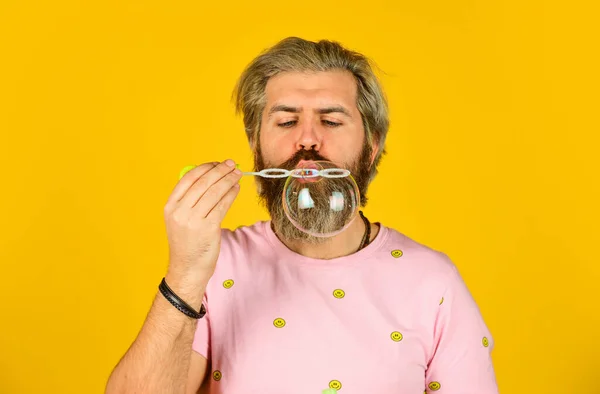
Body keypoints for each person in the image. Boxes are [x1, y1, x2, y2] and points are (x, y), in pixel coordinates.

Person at [105, 37, 499, 394]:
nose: (308, 138)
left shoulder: (432, 282)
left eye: (330, 121)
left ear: (372, 146)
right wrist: (186, 272)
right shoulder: (215, 264)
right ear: (255, 145)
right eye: (287, 121)